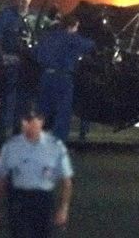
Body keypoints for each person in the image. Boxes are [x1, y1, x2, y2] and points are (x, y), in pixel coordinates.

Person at [0, 104, 74, 238]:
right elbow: (0, 180)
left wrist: (63, 209)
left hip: (43, 200)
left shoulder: (55, 147)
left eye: (33, 120)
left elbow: (67, 181)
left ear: (41, 121)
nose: (28, 124)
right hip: (19, 199)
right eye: (25, 120)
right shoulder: (11, 146)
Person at [36, 14, 95, 142]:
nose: (77, 30)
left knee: (42, 111)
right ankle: (58, 143)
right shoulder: (71, 38)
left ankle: (37, 140)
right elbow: (89, 45)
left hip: (45, 77)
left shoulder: (47, 37)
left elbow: (38, 55)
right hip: (62, 78)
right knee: (62, 112)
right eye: (76, 27)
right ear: (71, 26)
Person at [0, 0, 38, 139]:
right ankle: (5, 129)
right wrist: (3, 56)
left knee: (26, 98)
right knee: (9, 96)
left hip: (28, 64)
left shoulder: (35, 17)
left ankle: (19, 128)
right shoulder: (7, 15)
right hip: (11, 61)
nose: (24, 0)